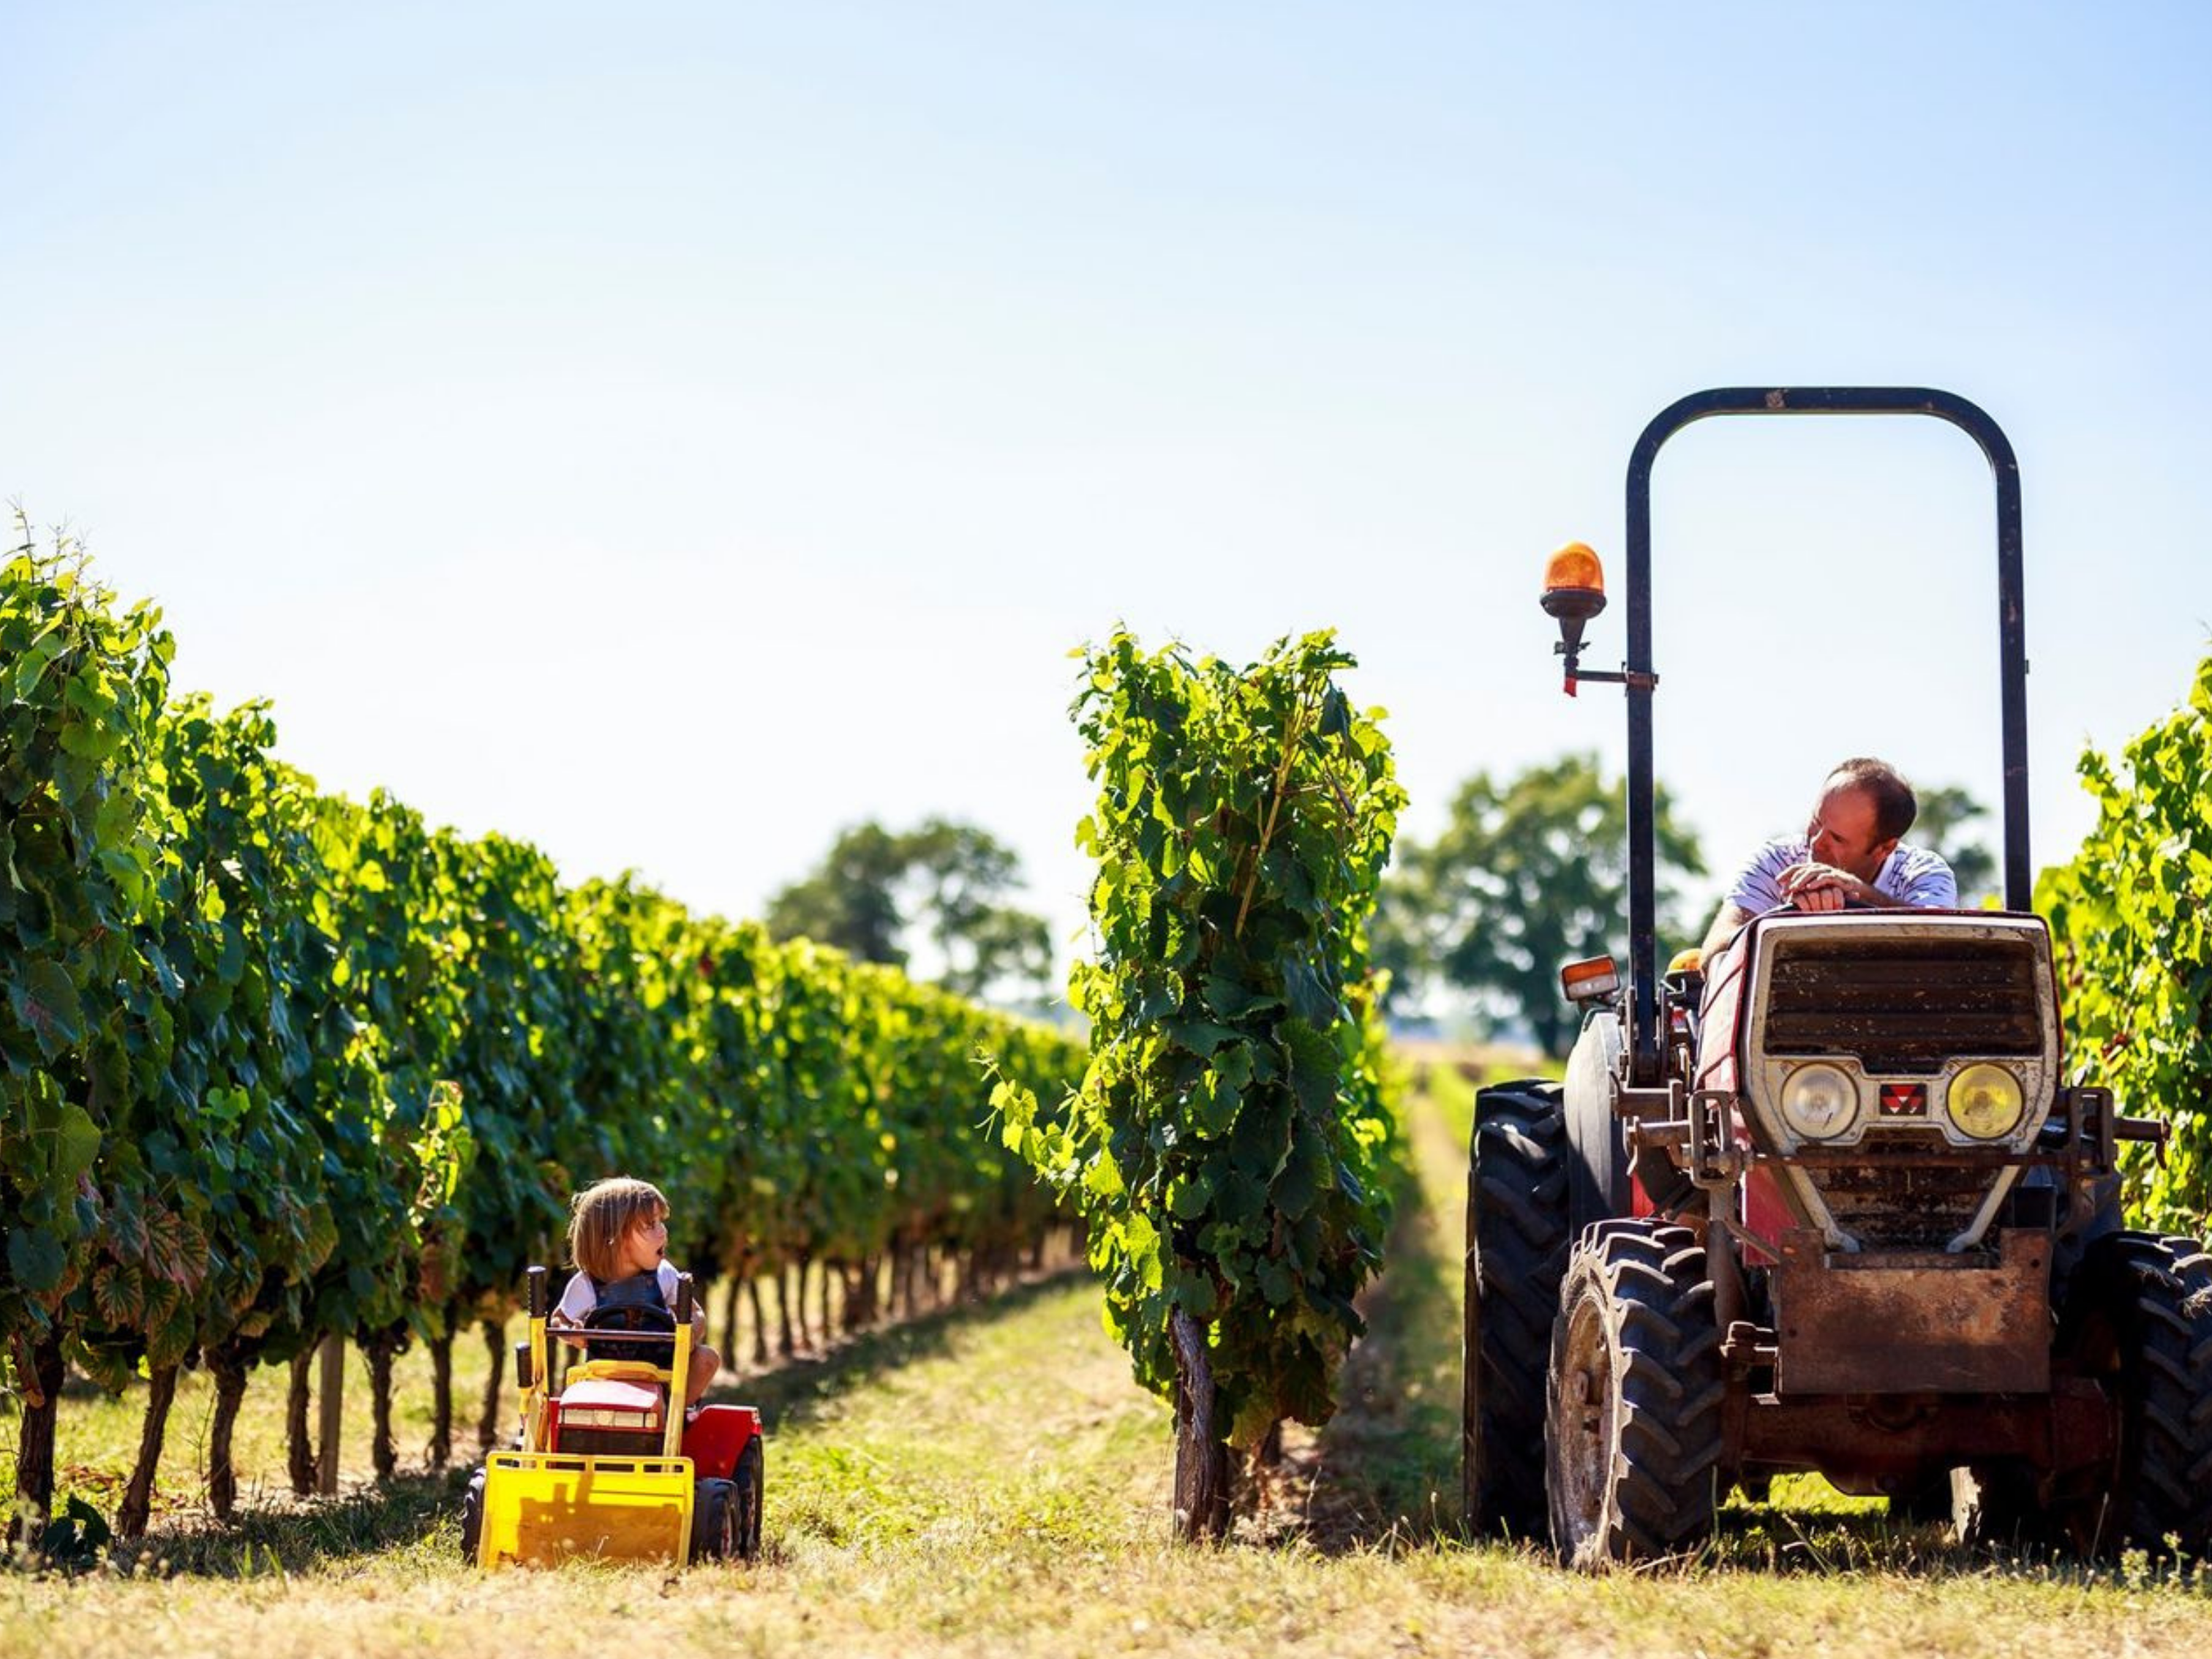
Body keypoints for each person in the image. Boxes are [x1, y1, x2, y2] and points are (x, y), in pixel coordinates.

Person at [1701, 757, 1957, 957]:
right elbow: (1713, 953)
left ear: (1884, 849)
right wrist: (1784, 921)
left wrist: (1858, 893)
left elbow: (1941, 941)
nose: (1815, 842)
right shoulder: (1776, 862)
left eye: (1837, 839)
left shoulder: (1924, 872)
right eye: (1815, 821)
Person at [552, 1175, 721, 1407]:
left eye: (661, 1223)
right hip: (606, 1375)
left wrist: (691, 1332)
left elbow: (696, 1313)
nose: (663, 1232)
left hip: (662, 1372)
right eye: (651, 1225)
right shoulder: (587, 1283)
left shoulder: (665, 1274)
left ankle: (675, 1415)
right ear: (614, 1237)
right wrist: (572, 1333)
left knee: (706, 1359)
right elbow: (558, 1320)